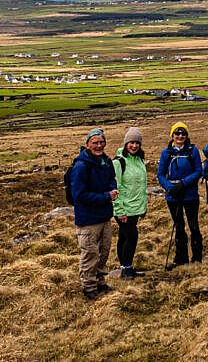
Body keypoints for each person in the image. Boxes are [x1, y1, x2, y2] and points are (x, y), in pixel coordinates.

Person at [69, 127, 117, 299]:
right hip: (88, 219)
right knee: (90, 253)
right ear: (87, 145)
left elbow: (112, 179)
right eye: (95, 142)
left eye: (101, 142)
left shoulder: (105, 161)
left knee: (103, 251)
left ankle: (100, 282)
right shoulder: (81, 166)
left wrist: (112, 189)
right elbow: (79, 195)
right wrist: (105, 196)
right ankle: (89, 287)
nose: (99, 145)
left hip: (104, 216)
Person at [157, 122, 203, 268]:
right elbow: (160, 174)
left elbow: (198, 171)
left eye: (183, 133)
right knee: (179, 226)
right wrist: (170, 188)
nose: (180, 136)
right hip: (173, 196)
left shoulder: (192, 150)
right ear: (172, 135)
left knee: (194, 225)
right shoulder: (166, 153)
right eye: (177, 133)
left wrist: (183, 183)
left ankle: (197, 258)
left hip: (190, 195)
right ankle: (181, 258)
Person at [112, 127, 148, 279]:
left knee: (124, 237)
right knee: (132, 237)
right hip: (124, 209)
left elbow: (141, 185)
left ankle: (126, 267)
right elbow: (115, 187)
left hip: (135, 208)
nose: (134, 146)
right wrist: (119, 211)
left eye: (137, 143)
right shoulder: (119, 162)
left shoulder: (139, 160)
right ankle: (126, 268)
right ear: (126, 143)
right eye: (131, 142)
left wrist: (144, 206)